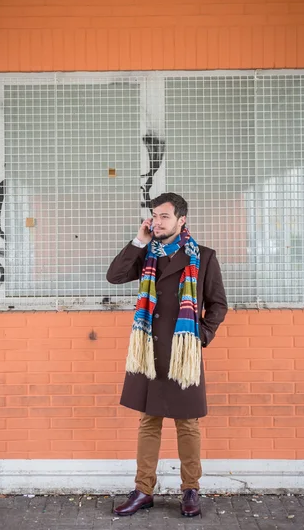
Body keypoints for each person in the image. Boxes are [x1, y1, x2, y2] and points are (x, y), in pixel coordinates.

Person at [106, 192, 227, 518]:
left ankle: (191, 490)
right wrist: (138, 239)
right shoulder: (147, 256)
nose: (156, 222)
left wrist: (200, 335)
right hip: (149, 352)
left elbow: (218, 304)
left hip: (182, 355)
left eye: (164, 217)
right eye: (154, 216)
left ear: (181, 220)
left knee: (187, 424)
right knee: (149, 422)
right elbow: (114, 276)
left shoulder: (202, 257)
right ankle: (143, 490)